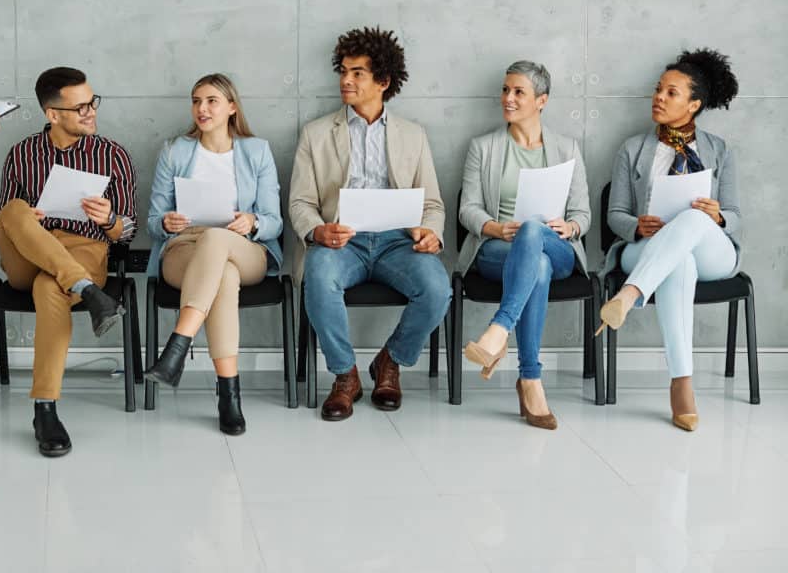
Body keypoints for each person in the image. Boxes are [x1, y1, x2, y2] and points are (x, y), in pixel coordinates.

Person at [289, 26, 451, 421]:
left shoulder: (413, 135)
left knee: (437, 289)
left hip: (399, 241)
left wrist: (431, 232)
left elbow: (432, 203)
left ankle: (390, 362)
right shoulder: (316, 134)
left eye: (357, 72)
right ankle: (346, 376)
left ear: (383, 81)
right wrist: (317, 230)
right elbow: (300, 202)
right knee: (319, 278)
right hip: (342, 241)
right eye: (343, 71)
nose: (346, 79)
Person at [0, 67, 137, 456]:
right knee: (14, 209)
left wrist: (108, 219)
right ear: (52, 114)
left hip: (84, 249)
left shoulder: (112, 155)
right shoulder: (21, 154)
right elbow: (3, 221)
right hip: (28, 251)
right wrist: (29, 221)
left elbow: (128, 231)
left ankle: (45, 410)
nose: (91, 111)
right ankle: (89, 291)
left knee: (50, 286)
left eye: (93, 102)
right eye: (80, 107)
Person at [599, 49, 740, 432]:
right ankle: (682, 383)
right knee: (679, 261)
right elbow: (615, 215)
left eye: (671, 93)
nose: (659, 97)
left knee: (694, 217)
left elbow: (737, 216)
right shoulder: (633, 149)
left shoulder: (719, 150)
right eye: (658, 90)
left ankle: (628, 295)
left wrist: (718, 216)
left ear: (694, 105)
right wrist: (636, 227)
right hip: (648, 248)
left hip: (713, 251)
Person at [144, 74, 282, 435]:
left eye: (211, 101)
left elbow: (275, 221)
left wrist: (253, 221)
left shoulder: (257, 151)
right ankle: (228, 396)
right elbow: (153, 220)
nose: (201, 109)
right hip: (185, 248)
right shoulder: (174, 150)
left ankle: (178, 345)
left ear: (231, 107)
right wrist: (167, 222)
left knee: (218, 242)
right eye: (196, 101)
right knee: (224, 277)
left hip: (244, 247)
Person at [458, 61, 590, 430]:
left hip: (558, 246)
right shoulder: (482, 148)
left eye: (518, 92)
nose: (508, 98)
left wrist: (572, 225)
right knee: (539, 267)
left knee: (536, 234)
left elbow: (584, 212)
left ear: (541, 100)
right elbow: (467, 209)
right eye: (505, 90)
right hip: (498, 249)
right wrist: (497, 229)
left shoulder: (568, 148)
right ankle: (530, 379)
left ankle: (499, 330)